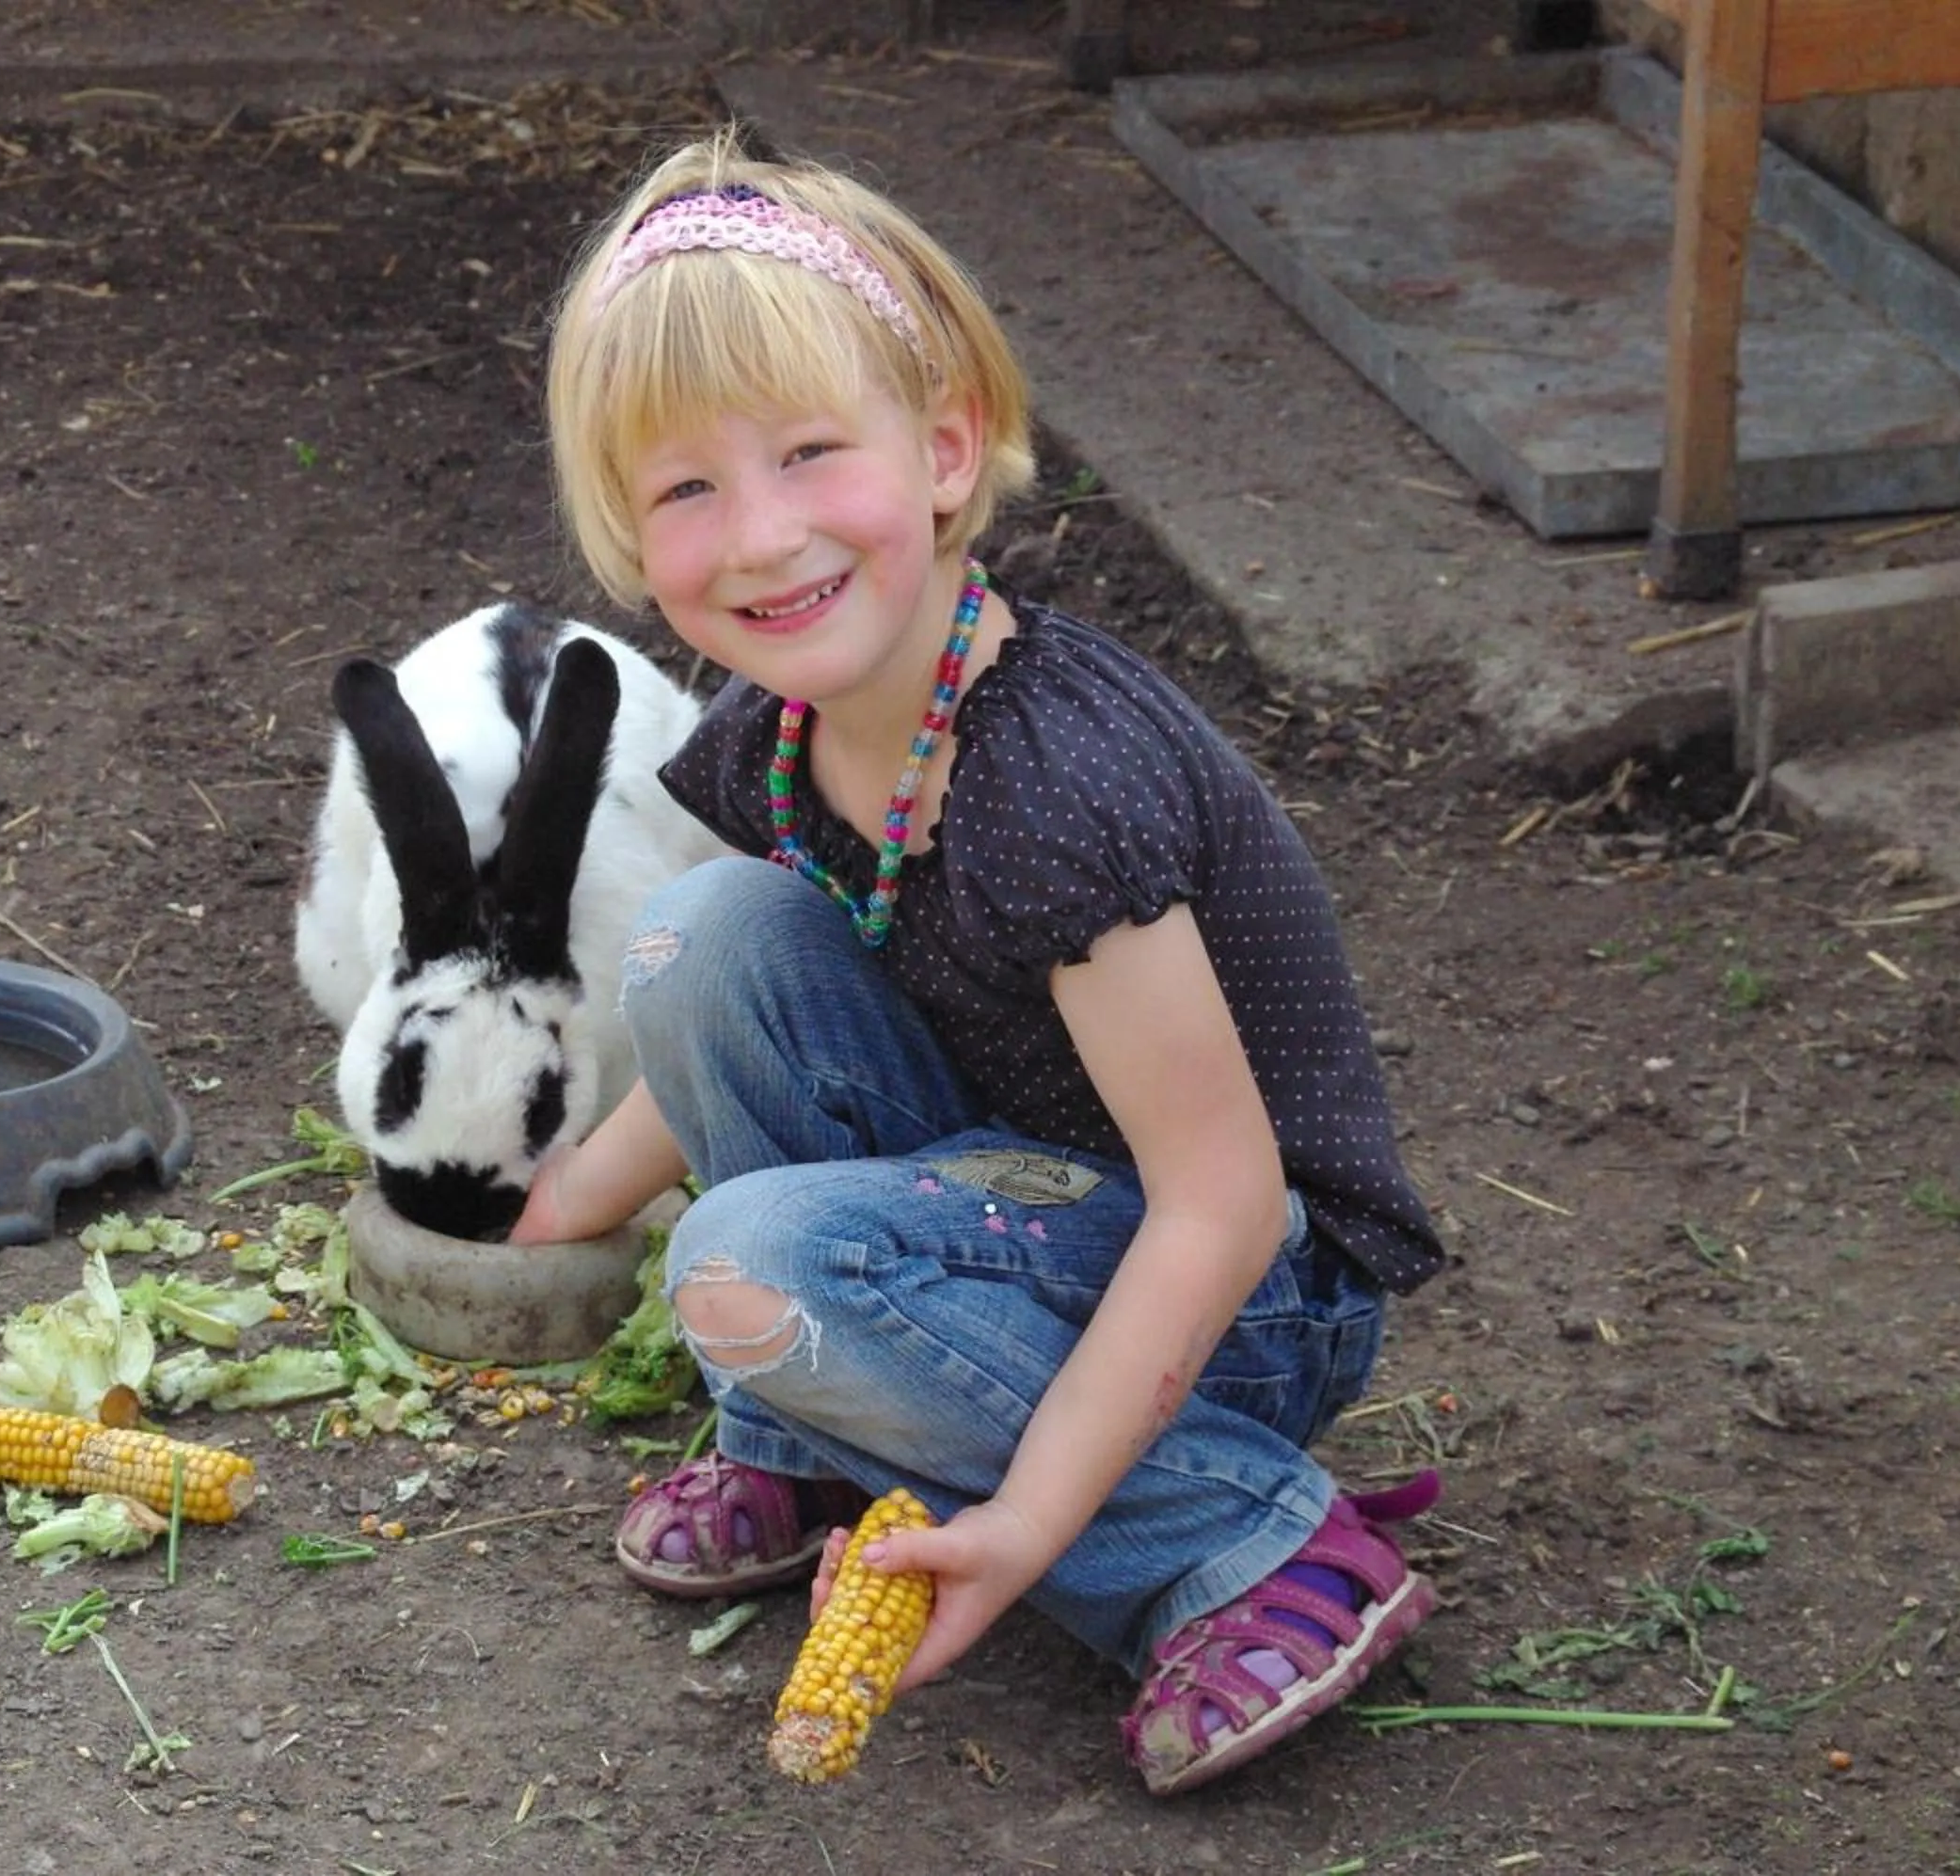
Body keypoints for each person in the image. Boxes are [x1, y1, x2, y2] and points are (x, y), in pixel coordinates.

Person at [509, 126, 1448, 1797]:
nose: (762, 537)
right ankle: (807, 1440)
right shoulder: (784, 729)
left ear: (945, 451)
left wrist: (1024, 1523)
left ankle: (1247, 1544)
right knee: (705, 931)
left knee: (741, 1270)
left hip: (1253, 1283)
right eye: (686, 488)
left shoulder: (1050, 789)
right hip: (1016, 1205)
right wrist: (562, 1204)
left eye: (809, 452)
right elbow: (729, 1017)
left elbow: (1220, 1204)